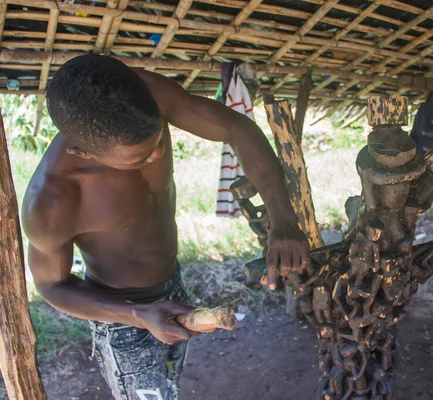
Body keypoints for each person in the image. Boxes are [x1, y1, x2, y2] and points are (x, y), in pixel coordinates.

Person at [22, 54, 310, 400]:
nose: (156, 157)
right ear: (83, 153)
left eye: (158, 142)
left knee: (172, 384)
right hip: (122, 317)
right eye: (139, 160)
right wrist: (137, 313)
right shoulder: (53, 201)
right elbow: (52, 286)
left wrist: (282, 219)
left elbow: (237, 127)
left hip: (174, 287)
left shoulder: (147, 92)